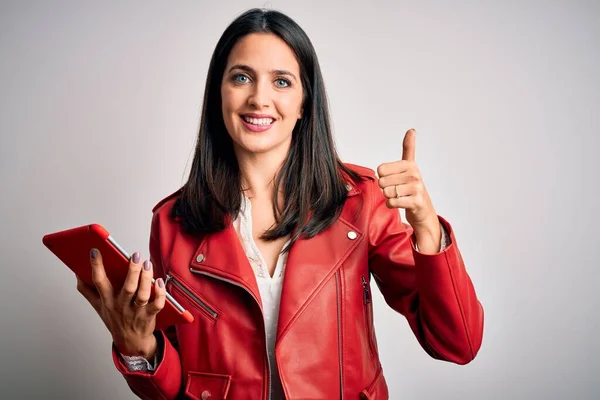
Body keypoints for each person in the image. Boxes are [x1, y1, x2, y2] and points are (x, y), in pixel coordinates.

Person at [76, 7, 484, 400]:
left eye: (282, 81)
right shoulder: (172, 223)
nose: (259, 98)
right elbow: (181, 385)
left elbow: (458, 343)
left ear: (306, 102)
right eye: (241, 77)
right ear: (219, 93)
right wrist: (139, 349)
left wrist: (427, 226)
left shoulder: (360, 202)